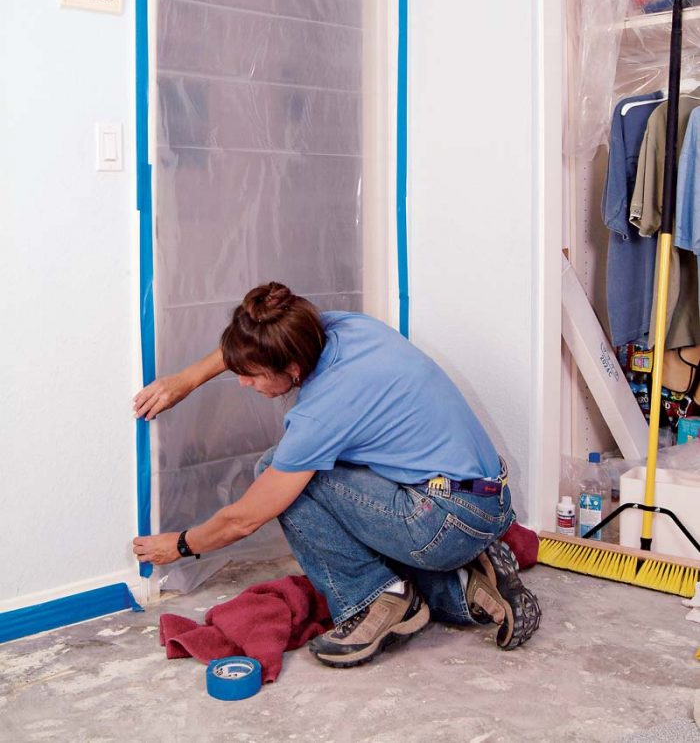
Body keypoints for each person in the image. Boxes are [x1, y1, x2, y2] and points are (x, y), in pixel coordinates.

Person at [133, 282, 541, 667]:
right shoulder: (343, 328)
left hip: (444, 519)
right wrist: (186, 380)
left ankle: (377, 599)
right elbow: (258, 335)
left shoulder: (320, 413)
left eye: (253, 374)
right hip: (486, 501)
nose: (242, 382)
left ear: (291, 368)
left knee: (280, 477)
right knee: (315, 470)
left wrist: (182, 545)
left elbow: (245, 518)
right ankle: (470, 585)